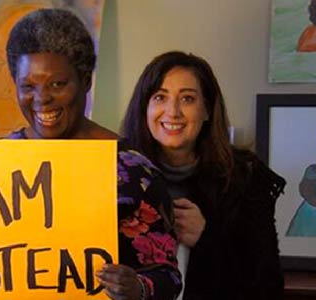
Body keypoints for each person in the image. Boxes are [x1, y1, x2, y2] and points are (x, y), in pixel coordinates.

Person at [0, 9, 182, 300]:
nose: (42, 99)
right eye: (28, 86)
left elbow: (168, 277)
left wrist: (139, 288)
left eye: (57, 84)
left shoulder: (134, 173)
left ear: (85, 81)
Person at [121, 51, 286, 299]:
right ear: (144, 107)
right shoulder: (120, 174)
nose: (172, 111)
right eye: (160, 97)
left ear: (207, 110)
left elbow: (268, 284)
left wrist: (207, 237)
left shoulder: (245, 178)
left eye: (187, 99)